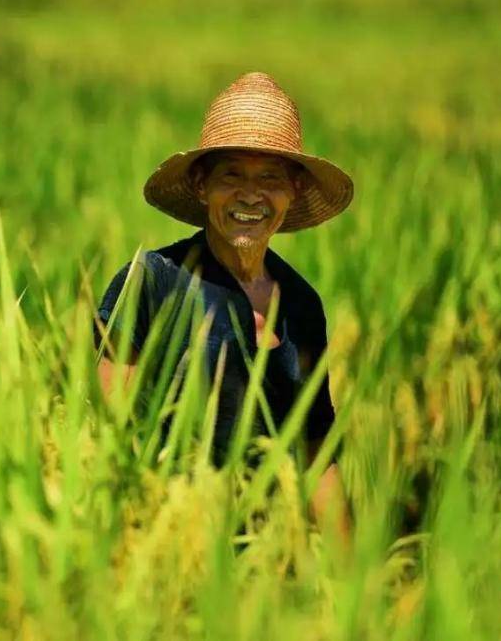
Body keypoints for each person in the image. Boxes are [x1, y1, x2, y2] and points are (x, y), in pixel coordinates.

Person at [93, 71, 353, 547]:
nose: (250, 195)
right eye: (231, 174)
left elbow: (317, 458)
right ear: (200, 184)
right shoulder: (154, 281)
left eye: (270, 177)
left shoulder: (301, 304)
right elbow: (110, 431)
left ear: (293, 189)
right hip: (167, 543)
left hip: (265, 556)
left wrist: (363, 584)